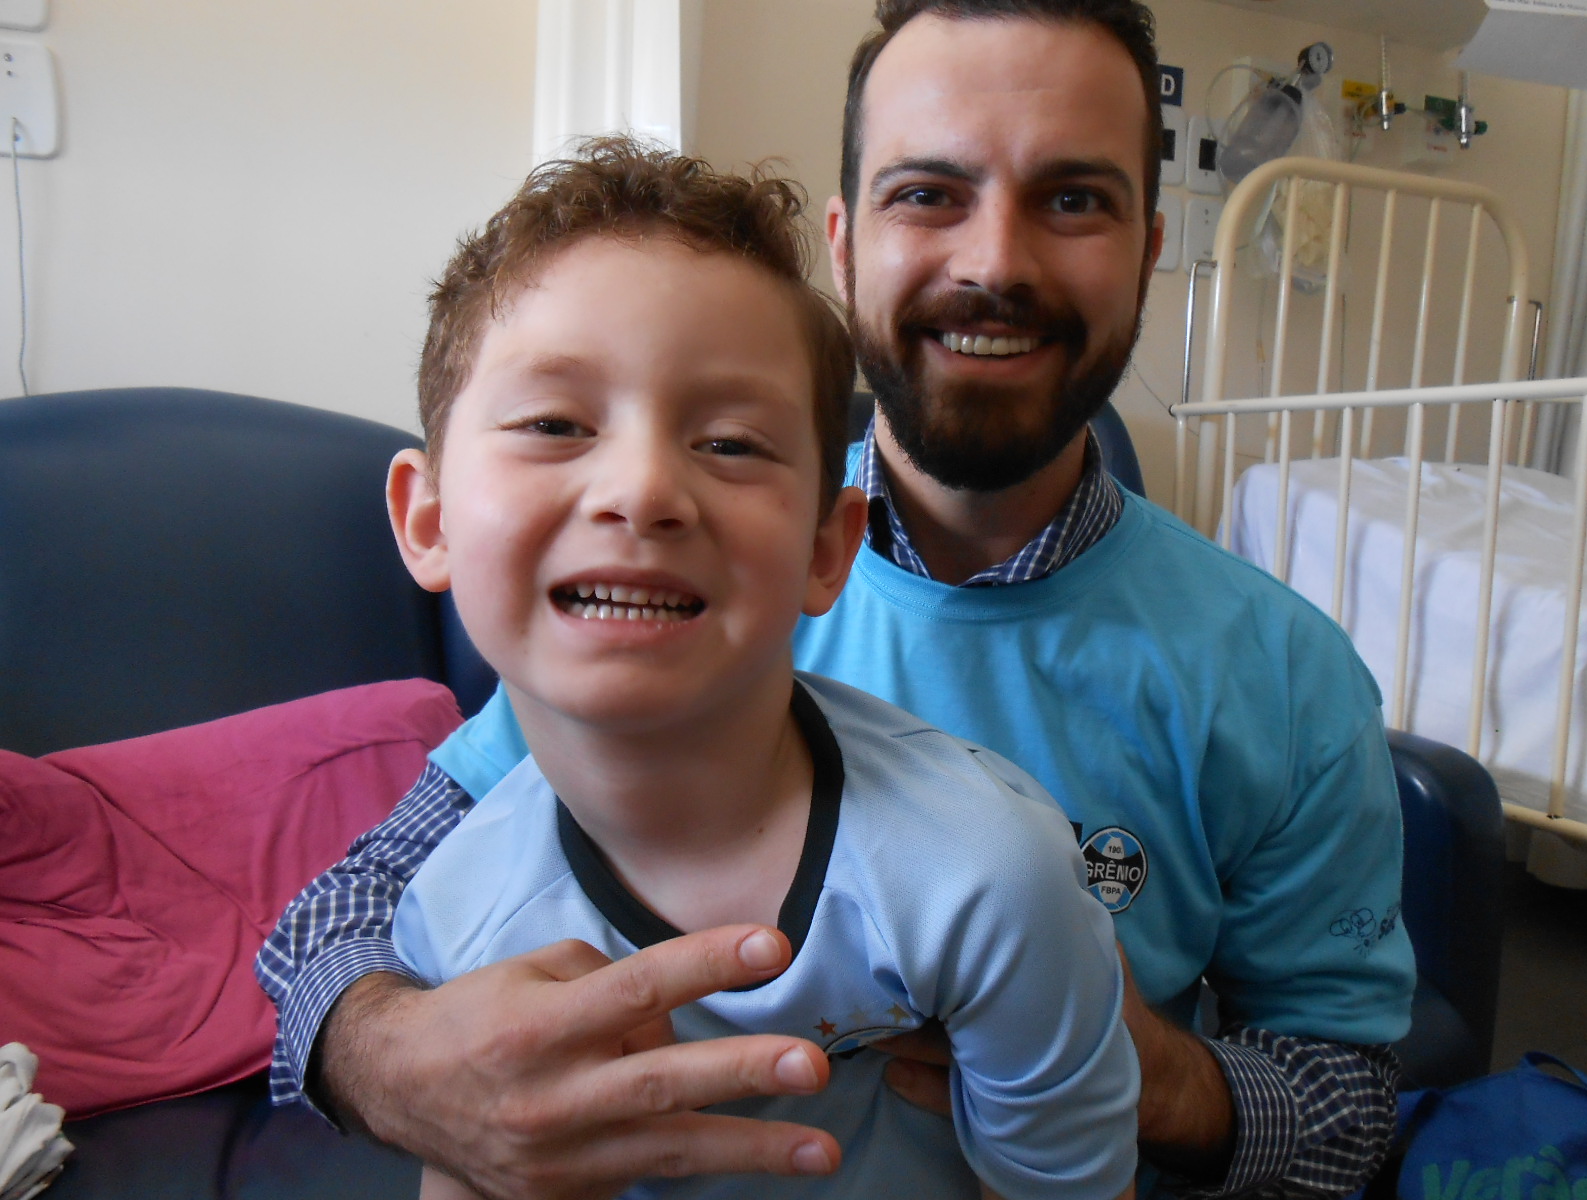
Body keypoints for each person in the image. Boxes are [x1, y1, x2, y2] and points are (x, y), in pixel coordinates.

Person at [257, 1, 1416, 1196]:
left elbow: (1354, 1107)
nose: (994, 264)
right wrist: (405, 1065)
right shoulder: (665, 617)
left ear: (1148, 248)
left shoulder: (1284, 676)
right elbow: (339, 914)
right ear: (846, 239)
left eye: (1073, 200)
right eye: (926, 194)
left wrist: (1129, 1067)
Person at [344, 135, 1140, 1200]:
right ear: (428, 518)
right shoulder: (450, 920)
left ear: (827, 548)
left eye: (729, 443)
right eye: (553, 423)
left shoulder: (991, 876)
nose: (641, 489)